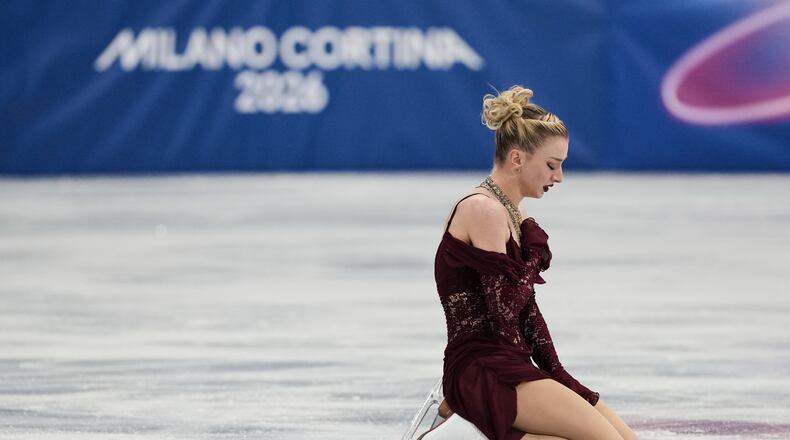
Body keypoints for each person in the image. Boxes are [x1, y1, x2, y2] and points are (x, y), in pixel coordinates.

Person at [418, 86, 639, 440]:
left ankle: (460, 431)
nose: (559, 177)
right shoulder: (483, 210)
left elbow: (527, 313)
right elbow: (504, 310)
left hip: (509, 361)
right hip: (482, 367)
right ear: (518, 159)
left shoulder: (513, 211)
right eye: (552, 165)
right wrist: (533, 252)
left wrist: (559, 374)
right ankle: (464, 413)